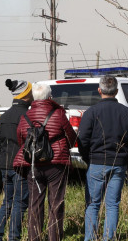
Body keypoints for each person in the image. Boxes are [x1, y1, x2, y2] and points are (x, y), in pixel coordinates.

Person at [77, 76, 128, 241]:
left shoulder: (91, 112)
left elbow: (82, 139)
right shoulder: (127, 112)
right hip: (119, 164)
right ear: (117, 92)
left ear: (99, 91)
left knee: (93, 204)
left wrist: (88, 158)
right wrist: (126, 158)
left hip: (96, 163)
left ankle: (90, 238)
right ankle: (109, 238)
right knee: (112, 205)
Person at [14, 83, 77, 241]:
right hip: (56, 164)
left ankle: (34, 238)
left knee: (34, 205)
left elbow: (21, 140)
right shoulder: (58, 114)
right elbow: (71, 137)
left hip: (33, 165)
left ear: (34, 97)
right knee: (56, 204)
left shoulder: (25, 117)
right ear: (50, 97)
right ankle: (54, 238)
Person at [0, 79, 33, 241]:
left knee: (6, 203)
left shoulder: (5, 115)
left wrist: (4, 158)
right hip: (20, 167)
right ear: (25, 95)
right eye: (30, 92)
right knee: (19, 204)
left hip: (5, 167)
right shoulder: (27, 116)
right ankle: (14, 238)